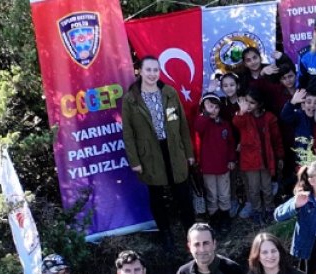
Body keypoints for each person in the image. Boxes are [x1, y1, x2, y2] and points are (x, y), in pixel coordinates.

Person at [121, 56, 195, 248]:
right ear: (140, 71)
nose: (152, 74)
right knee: (157, 196)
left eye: (156, 70)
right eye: (149, 70)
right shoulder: (131, 99)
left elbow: (182, 125)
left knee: (182, 194)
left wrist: (189, 152)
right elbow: (128, 133)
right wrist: (135, 160)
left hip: (174, 150)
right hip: (150, 154)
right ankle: (166, 235)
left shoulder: (169, 92)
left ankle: (191, 234)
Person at [232, 91, 283, 220]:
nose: (248, 105)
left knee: (267, 187)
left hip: (266, 159)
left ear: (259, 104)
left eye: (252, 102)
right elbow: (237, 123)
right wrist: (241, 112)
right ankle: (257, 211)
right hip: (250, 161)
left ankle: (270, 209)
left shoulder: (269, 118)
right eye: (247, 101)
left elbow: (276, 138)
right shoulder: (244, 117)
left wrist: (280, 156)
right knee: (253, 189)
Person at [193, 92, 238, 229]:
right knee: (212, 194)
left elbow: (230, 143)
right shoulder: (203, 122)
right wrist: (206, 115)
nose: (213, 110)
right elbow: (197, 128)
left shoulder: (224, 124)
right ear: (203, 109)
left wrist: (231, 159)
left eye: (216, 107)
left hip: (223, 166)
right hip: (208, 167)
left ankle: (225, 217)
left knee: (224, 193)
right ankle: (214, 217)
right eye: (209, 107)